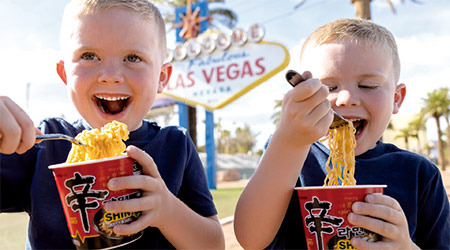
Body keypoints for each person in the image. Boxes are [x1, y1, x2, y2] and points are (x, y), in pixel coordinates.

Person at [0, 0, 224, 249]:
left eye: (133, 57)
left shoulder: (176, 145)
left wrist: (168, 211)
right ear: (64, 74)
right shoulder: (43, 143)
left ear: (161, 77)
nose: (111, 75)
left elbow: (214, 244)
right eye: (89, 56)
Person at [234, 18, 450, 250]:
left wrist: (407, 247)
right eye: (329, 88)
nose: (346, 99)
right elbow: (250, 239)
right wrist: (289, 140)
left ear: (396, 99)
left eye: (367, 85)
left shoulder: (419, 173)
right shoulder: (291, 152)